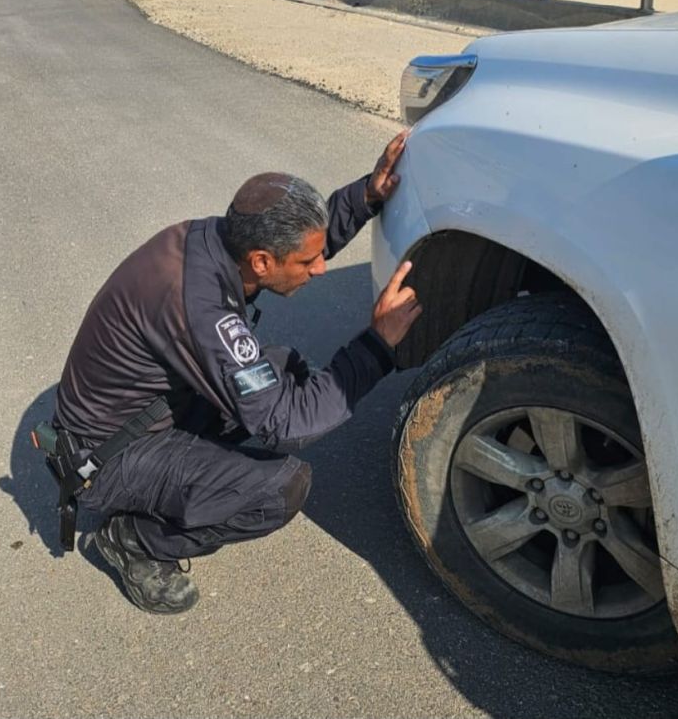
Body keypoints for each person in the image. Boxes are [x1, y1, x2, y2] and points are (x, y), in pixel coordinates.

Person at [53, 131, 421, 614]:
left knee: (284, 366)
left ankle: (191, 477)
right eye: (308, 262)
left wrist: (366, 196)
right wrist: (377, 345)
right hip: (109, 456)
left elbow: (294, 248)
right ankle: (134, 539)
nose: (319, 271)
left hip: (150, 410)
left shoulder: (217, 241)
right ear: (261, 261)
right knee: (276, 489)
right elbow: (286, 424)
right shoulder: (202, 306)